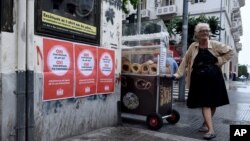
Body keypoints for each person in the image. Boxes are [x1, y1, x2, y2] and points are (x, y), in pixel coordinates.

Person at [172, 23, 234, 140]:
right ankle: (211, 130)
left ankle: (206, 125)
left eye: (206, 31)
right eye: (202, 31)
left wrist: (220, 60)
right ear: (197, 34)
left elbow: (230, 52)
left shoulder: (215, 44)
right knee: (205, 103)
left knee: (213, 103)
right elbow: (185, 61)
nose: (205, 33)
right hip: (199, 79)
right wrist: (177, 74)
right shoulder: (193, 46)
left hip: (214, 78)